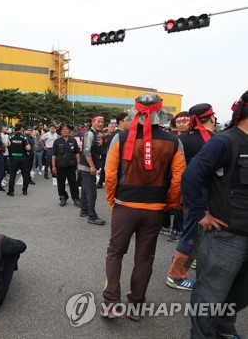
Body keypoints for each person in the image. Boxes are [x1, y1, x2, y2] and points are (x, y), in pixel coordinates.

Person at [102, 93, 186, 320]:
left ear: (135, 113)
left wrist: (112, 201)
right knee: (144, 257)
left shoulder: (119, 138)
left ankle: (111, 303)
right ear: (160, 114)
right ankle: (136, 305)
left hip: (125, 205)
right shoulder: (173, 141)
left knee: (115, 253)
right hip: (155, 208)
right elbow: (179, 178)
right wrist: (170, 202)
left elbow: (110, 176)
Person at [183, 91, 248, 339]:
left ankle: (223, 325)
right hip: (226, 237)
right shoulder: (224, 142)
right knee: (210, 295)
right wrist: (200, 213)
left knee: (241, 292)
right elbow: (190, 177)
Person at [165, 103, 217, 291]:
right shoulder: (215, 140)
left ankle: (185, 262)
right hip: (203, 195)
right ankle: (175, 275)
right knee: (192, 234)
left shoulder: (180, 140)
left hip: (183, 192)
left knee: (191, 231)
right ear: (211, 118)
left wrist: (175, 196)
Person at [79, 115, 105, 225]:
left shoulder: (95, 133)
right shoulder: (90, 133)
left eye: (102, 122)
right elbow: (86, 151)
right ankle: (92, 216)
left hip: (85, 166)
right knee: (91, 192)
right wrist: (92, 166)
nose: (100, 124)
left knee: (85, 189)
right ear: (93, 122)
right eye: (98, 121)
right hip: (88, 166)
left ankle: (84, 210)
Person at [52, 124, 80, 207]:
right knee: (60, 183)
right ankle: (63, 197)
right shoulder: (57, 141)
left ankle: (76, 199)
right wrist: (53, 166)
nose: (65, 130)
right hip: (60, 166)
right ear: (60, 131)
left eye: (67, 129)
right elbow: (54, 155)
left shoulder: (73, 140)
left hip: (71, 166)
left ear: (69, 131)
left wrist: (78, 164)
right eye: (63, 129)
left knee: (73, 183)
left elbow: (77, 153)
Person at [6, 122, 31, 196]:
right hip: (22, 158)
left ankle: (11, 191)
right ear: (21, 128)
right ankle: (25, 190)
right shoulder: (24, 137)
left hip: (13, 158)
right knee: (25, 174)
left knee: (12, 175)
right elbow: (28, 148)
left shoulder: (10, 136)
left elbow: (7, 145)